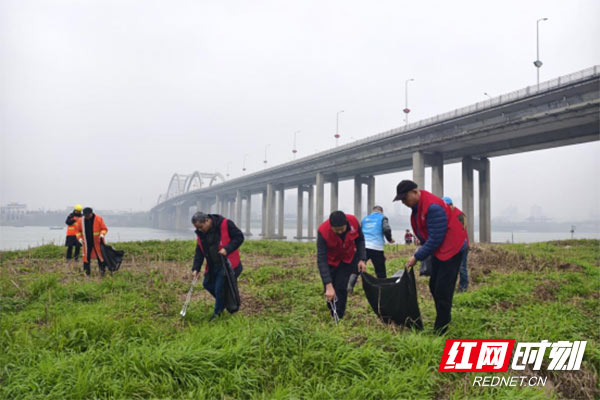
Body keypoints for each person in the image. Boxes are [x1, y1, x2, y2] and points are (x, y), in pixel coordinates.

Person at [393, 180, 467, 334]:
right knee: (434, 285)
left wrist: (416, 256)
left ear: (415, 192)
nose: (404, 202)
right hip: (441, 250)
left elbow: (435, 239)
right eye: (402, 200)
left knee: (442, 290)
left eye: (405, 198)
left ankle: (441, 329)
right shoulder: (417, 206)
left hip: (451, 250)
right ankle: (442, 317)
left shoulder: (432, 207)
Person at [191, 211, 244, 320]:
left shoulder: (225, 224)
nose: (200, 230)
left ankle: (217, 314)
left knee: (220, 288)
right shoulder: (201, 234)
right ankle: (227, 302)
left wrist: (227, 249)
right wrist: (196, 268)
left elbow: (239, 237)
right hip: (212, 265)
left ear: (207, 221)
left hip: (227, 264)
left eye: (201, 227)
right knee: (206, 283)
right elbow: (199, 252)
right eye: (198, 228)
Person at [317, 211, 367, 320]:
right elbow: (321, 258)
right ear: (331, 226)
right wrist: (328, 285)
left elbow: (360, 240)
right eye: (336, 230)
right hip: (330, 262)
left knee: (340, 287)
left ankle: (338, 316)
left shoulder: (353, 221)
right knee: (329, 290)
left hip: (346, 260)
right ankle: (332, 310)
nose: (340, 232)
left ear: (346, 223)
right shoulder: (323, 231)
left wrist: (362, 259)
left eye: (342, 229)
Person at [348, 206, 394, 291]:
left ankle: (350, 287)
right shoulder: (382, 218)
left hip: (363, 246)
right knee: (380, 270)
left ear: (372, 211)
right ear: (381, 211)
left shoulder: (365, 219)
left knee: (356, 268)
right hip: (376, 247)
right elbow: (387, 229)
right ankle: (383, 289)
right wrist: (389, 239)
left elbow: (359, 232)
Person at [442, 196, 469, 292]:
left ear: (451, 204)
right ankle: (452, 288)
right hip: (453, 246)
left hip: (461, 246)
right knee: (452, 268)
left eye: (447, 205)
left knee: (462, 268)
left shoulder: (459, 215)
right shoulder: (446, 214)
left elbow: (461, 231)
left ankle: (463, 288)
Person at [75, 207, 108, 276]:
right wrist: (79, 238)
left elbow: (104, 229)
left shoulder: (99, 219)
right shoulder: (80, 220)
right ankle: (87, 273)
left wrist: (102, 235)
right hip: (86, 243)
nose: (86, 217)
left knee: (100, 257)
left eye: (87, 215)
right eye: (85, 215)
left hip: (98, 242)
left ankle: (102, 272)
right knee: (86, 258)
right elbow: (77, 231)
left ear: (91, 213)